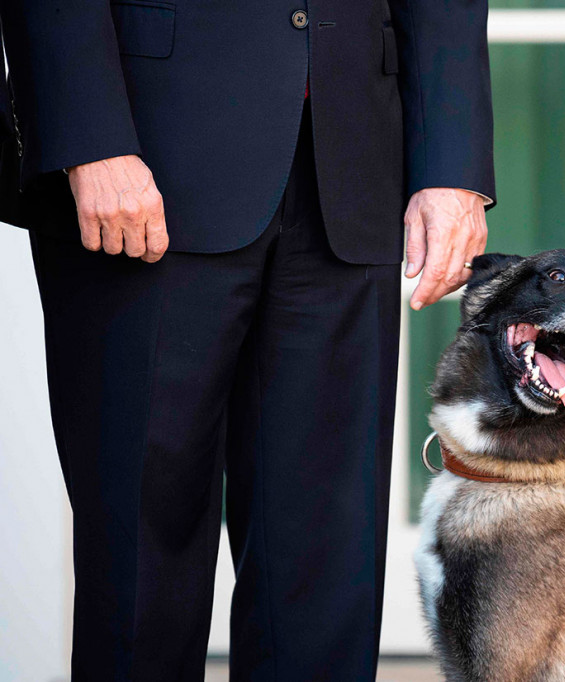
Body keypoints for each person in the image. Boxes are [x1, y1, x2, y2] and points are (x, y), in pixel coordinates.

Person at [0, 1, 494, 679]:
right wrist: (87, 132)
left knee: (325, 568)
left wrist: (452, 158)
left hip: (350, 164)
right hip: (147, 151)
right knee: (141, 569)